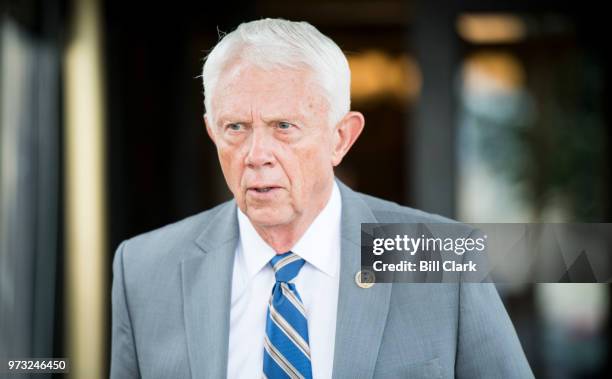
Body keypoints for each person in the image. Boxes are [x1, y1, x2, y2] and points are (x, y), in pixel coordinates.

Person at [111, 18, 533, 379]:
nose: (257, 155)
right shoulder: (144, 270)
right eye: (236, 127)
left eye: (284, 126)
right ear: (211, 133)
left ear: (341, 137)